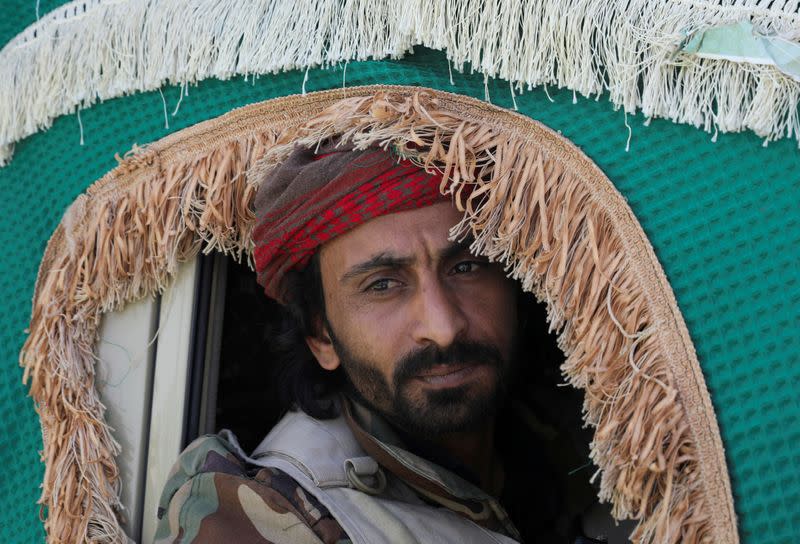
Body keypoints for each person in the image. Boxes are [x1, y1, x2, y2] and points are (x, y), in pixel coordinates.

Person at [154, 140, 604, 543]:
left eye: (465, 268)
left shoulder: (596, 437)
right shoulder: (275, 514)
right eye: (383, 284)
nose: (443, 327)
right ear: (321, 335)